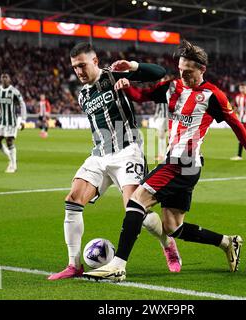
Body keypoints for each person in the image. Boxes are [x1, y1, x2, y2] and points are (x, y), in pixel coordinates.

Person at [84, 40, 246, 282]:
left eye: (189, 71)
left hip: (184, 163)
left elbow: (237, 125)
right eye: (180, 70)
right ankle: (227, 242)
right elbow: (142, 95)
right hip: (177, 163)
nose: (183, 75)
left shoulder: (213, 96)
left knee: (136, 200)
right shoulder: (172, 87)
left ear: (202, 70)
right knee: (172, 227)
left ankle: (118, 265)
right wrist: (127, 85)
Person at [48, 42, 182, 281]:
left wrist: (132, 66)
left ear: (95, 61)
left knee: (137, 210)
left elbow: (159, 73)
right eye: (74, 67)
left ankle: (167, 242)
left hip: (127, 151)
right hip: (99, 155)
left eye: (82, 65)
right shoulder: (82, 95)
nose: (78, 71)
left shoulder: (114, 74)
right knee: (72, 200)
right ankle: (73, 265)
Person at [0, 73, 27, 173]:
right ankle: (10, 157)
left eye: (6, 77)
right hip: (1, 121)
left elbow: (22, 104)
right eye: (2, 77)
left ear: (9, 79)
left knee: (9, 141)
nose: (4, 79)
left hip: (11, 121)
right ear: (0, 79)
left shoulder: (14, 91)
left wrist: (23, 120)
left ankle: (13, 166)